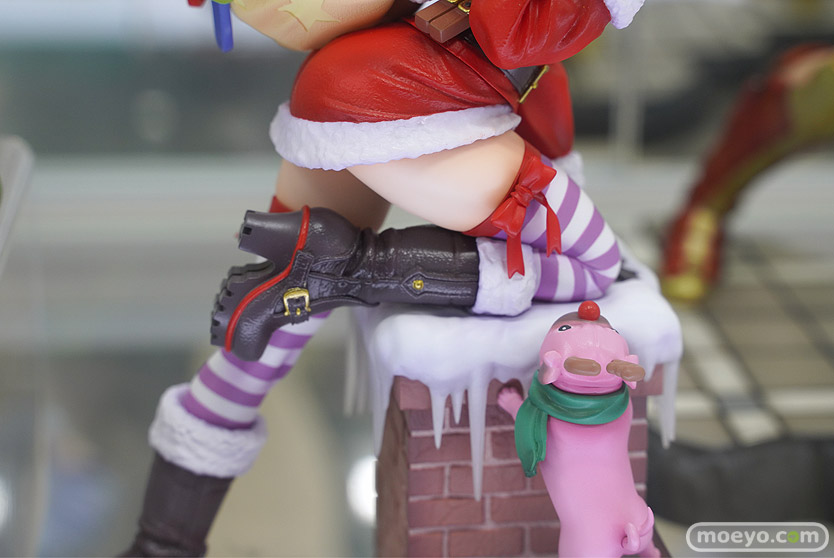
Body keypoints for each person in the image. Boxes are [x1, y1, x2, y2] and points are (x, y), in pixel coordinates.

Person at [123, 0, 644, 555]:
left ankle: (161, 544)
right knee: (595, 265)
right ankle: (349, 266)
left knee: (268, 336)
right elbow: (514, 34)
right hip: (416, 99)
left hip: (355, 84)